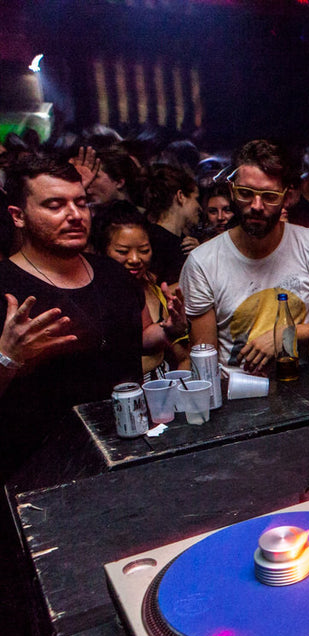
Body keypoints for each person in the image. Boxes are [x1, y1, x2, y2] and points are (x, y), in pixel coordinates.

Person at [0, 154, 142, 476]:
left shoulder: (114, 276)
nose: (75, 215)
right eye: (55, 205)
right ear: (18, 216)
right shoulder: (5, 289)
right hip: (39, 483)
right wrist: (7, 357)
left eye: (82, 202)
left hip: (127, 464)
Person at [179, 139, 309, 370]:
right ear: (232, 190)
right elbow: (205, 359)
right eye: (246, 193)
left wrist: (285, 333)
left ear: (286, 196)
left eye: (269, 196)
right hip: (238, 394)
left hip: (305, 389)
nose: (257, 205)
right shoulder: (203, 262)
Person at [98, 201, 189, 380]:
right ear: (103, 250)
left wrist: (173, 329)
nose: (135, 259)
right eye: (123, 251)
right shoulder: (100, 292)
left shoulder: (155, 290)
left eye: (143, 250)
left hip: (159, 384)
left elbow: (179, 354)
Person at [142, 163, 203, 285]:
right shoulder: (156, 240)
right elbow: (150, 291)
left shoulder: (182, 241)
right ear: (181, 196)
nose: (200, 207)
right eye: (196, 199)